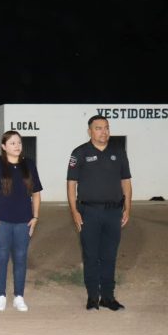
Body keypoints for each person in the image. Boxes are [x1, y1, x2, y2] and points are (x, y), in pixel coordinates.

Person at [67, 115, 132, 311]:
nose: (103, 132)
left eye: (106, 128)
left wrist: (128, 207)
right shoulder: (79, 153)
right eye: (98, 128)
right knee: (91, 255)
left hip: (113, 213)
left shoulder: (118, 152)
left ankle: (108, 297)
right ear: (90, 131)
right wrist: (75, 212)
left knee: (110, 256)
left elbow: (126, 183)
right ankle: (93, 297)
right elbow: (71, 186)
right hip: (89, 212)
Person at [0, 130, 42, 312]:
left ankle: (19, 297)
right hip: (1, 220)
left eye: (19, 143)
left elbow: (37, 193)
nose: (17, 146)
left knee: (21, 258)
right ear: (4, 147)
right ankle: (1, 296)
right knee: (1, 257)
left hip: (23, 221)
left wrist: (35, 217)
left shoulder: (29, 164)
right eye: (13, 143)